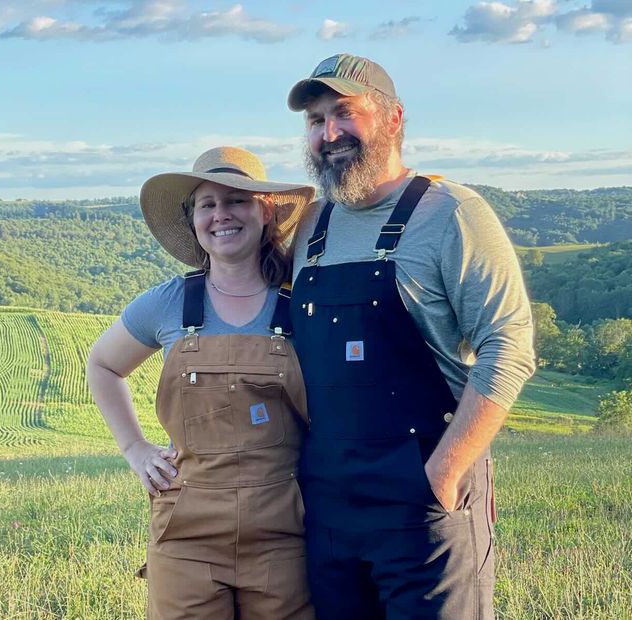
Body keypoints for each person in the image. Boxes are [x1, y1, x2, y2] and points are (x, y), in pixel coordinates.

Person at [285, 53, 536, 619]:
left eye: (345, 113)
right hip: (328, 508)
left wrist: (442, 477)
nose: (330, 133)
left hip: (423, 499)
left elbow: (510, 344)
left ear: (394, 118)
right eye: (315, 119)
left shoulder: (452, 213)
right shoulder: (308, 228)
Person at [86, 146, 316, 619]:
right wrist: (135, 449)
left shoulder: (304, 301)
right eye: (207, 204)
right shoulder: (169, 303)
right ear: (193, 219)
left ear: (265, 212)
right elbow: (103, 366)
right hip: (186, 533)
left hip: (283, 531)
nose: (221, 215)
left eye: (237, 200)